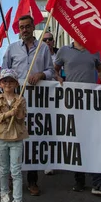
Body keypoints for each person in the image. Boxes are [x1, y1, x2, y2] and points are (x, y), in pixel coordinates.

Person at [1, 15, 55, 196]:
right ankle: (12, 177)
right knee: (13, 139)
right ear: (19, 29)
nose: (24, 30)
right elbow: (3, 70)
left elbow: (51, 71)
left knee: (32, 140)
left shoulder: (43, 49)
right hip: (14, 103)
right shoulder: (12, 48)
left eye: (27, 26)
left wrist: (41, 75)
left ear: (33, 27)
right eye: (21, 27)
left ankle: (32, 181)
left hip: (36, 103)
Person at [54, 38, 101, 196]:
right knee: (76, 140)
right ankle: (79, 179)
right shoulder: (64, 51)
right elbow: (54, 69)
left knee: (93, 140)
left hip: (90, 103)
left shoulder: (93, 51)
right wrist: (58, 77)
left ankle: (98, 182)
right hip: (71, 103)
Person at [0, 69, 28, 202]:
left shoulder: (21, 99)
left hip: (16, 138)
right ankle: (4, 194)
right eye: (5, 81)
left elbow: (21, 118)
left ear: (16, 84)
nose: (8, 84)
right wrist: (8, 114)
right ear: (0, 83)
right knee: (4, 169)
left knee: (16, 171)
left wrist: (17, 110)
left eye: (11, 81)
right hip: (1, 136)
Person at [42, 31, 58, 176]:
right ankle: (46, 161)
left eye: (50, 39)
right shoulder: (37, 55)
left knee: (56, 129)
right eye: (44, 39)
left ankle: (54, 160)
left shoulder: (61, 55)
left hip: (58, 97)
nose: (47, 42)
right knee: (45, 129)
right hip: (42, 98)